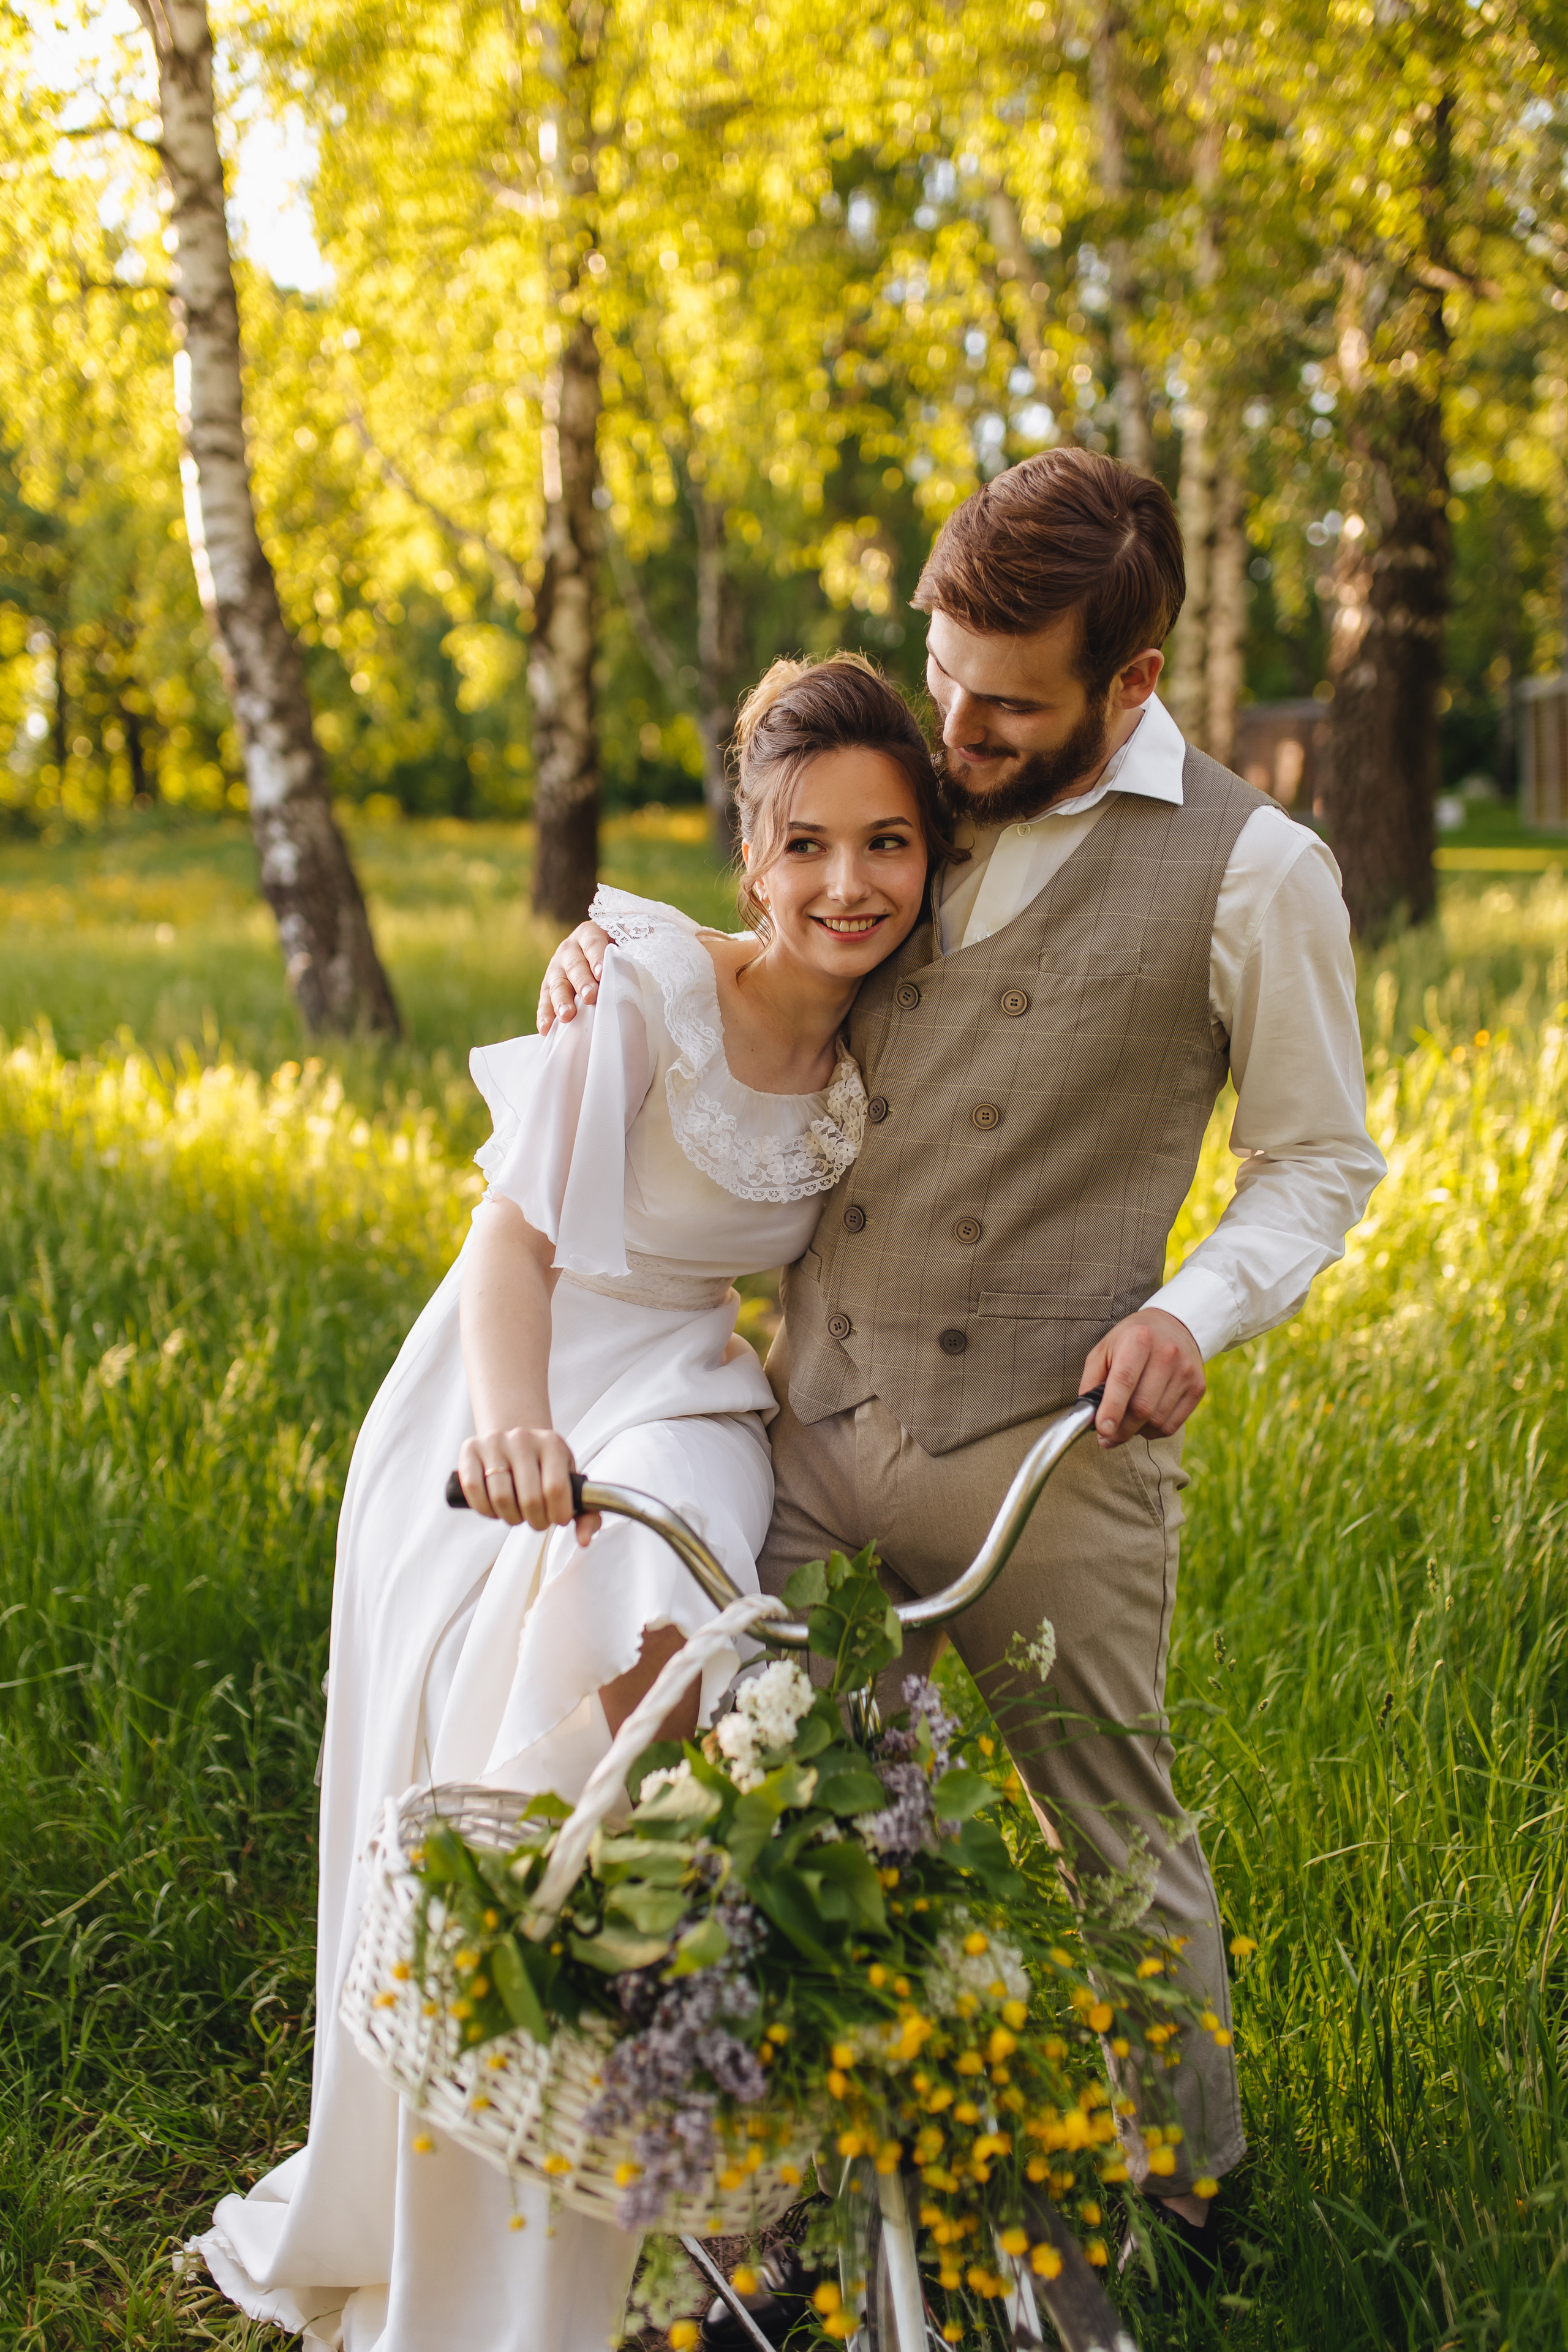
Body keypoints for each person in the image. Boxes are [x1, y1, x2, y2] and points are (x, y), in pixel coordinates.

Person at [537, 447, 1386, 2274]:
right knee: (750, 1780)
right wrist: (612, 962)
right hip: (810, 1414)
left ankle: (1190, 2190)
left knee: (1108, 1816)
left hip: (1049, 1450)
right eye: (944, 677)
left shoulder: (1259, 871)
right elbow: (788, 926)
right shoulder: (913, 790)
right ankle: (771, 2171)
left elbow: (1319, 1161)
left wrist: (1194, 1310)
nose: (959, 728)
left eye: (1008, 704)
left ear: (1130, 685)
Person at [193, 654, 957, 2352]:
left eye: (890, 844)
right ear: (750, 859)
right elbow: (510, 1243)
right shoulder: (644, 986)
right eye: (810, 846)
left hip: (687, 1378)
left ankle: (658, 2041)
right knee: (503, 1630)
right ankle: (498, 2077)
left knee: (646, 1623)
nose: (850, 885)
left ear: (929, 857)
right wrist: (517, 1428)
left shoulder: (903, 1027)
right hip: (518, 1370)